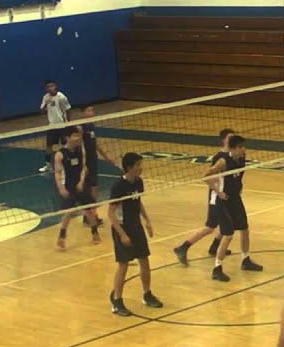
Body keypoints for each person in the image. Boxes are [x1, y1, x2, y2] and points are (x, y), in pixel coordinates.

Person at [107, 153, 163, 316]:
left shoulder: (138, 182)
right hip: (122, 227)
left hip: (136, 226)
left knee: (144, 259)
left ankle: (147, 294)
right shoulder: (118, 186)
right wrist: (122, 234)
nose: (141, 167)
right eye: (138, 165)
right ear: (130, 167)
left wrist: (147, 220)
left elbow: (138, 202)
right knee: (123, 264)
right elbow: (110, 213)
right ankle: (117, 301)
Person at [206, 135, 262, 282]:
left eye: (244, 146)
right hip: (223, 202)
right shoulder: (223, 162)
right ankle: (217, 269)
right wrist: (218, 192)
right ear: (232, 148)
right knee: (228, 235)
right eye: (240, 147)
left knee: (245, 229)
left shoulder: (242, 158)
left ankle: (246, 260)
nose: (244, 149)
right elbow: (206, 176)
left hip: (236, 199)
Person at [173, 128, 233, 265]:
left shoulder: (231, 156)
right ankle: (183, 247)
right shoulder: (220, 157)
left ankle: (215, 246)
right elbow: (208, 177)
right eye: (230, 137)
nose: (232, 140)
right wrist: (218, 192)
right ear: (223, 140)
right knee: (210, 226)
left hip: (225, 195)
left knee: (229, 221)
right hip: (216, 196)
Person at [54, 128, 99, 250]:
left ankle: (95, 233)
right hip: (69, 186)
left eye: (79, 135)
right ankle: (62, 237)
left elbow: (84, 168)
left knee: (89, 210)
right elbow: (57, 173)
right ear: (67, 138)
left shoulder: (80, 150)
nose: (78, 138)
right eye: (75, 136)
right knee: (69, 212)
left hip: (81, 184)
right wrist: (61, 188)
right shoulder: (60, 154)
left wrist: (81, 181)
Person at [79, 106, 117, 231]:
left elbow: (95, 144)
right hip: (86, 163)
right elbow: (80, 147)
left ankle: (90, 216)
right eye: (88, 111)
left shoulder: (91, 126)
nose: (91, 113)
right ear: (82, 113)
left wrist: (106, 157)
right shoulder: (80, 127)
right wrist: (83, 165)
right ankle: (90, 217)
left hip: (93, 161)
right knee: (90, 190)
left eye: (92, 110)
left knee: (94, 188)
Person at [38, 79, 72, 173]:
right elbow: (41, 111)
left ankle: (67, 163)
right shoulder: (46, 97)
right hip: (51, 126)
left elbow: (68, 109)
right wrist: (46, 104)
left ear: (55, 86)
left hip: (62, 125)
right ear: (46, 88)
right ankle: (48, 165)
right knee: (49, 146)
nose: (50, 88)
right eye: (48, 86)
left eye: (52, 86)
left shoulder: (61, 97)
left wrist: (68, 124)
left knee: (65, 145)